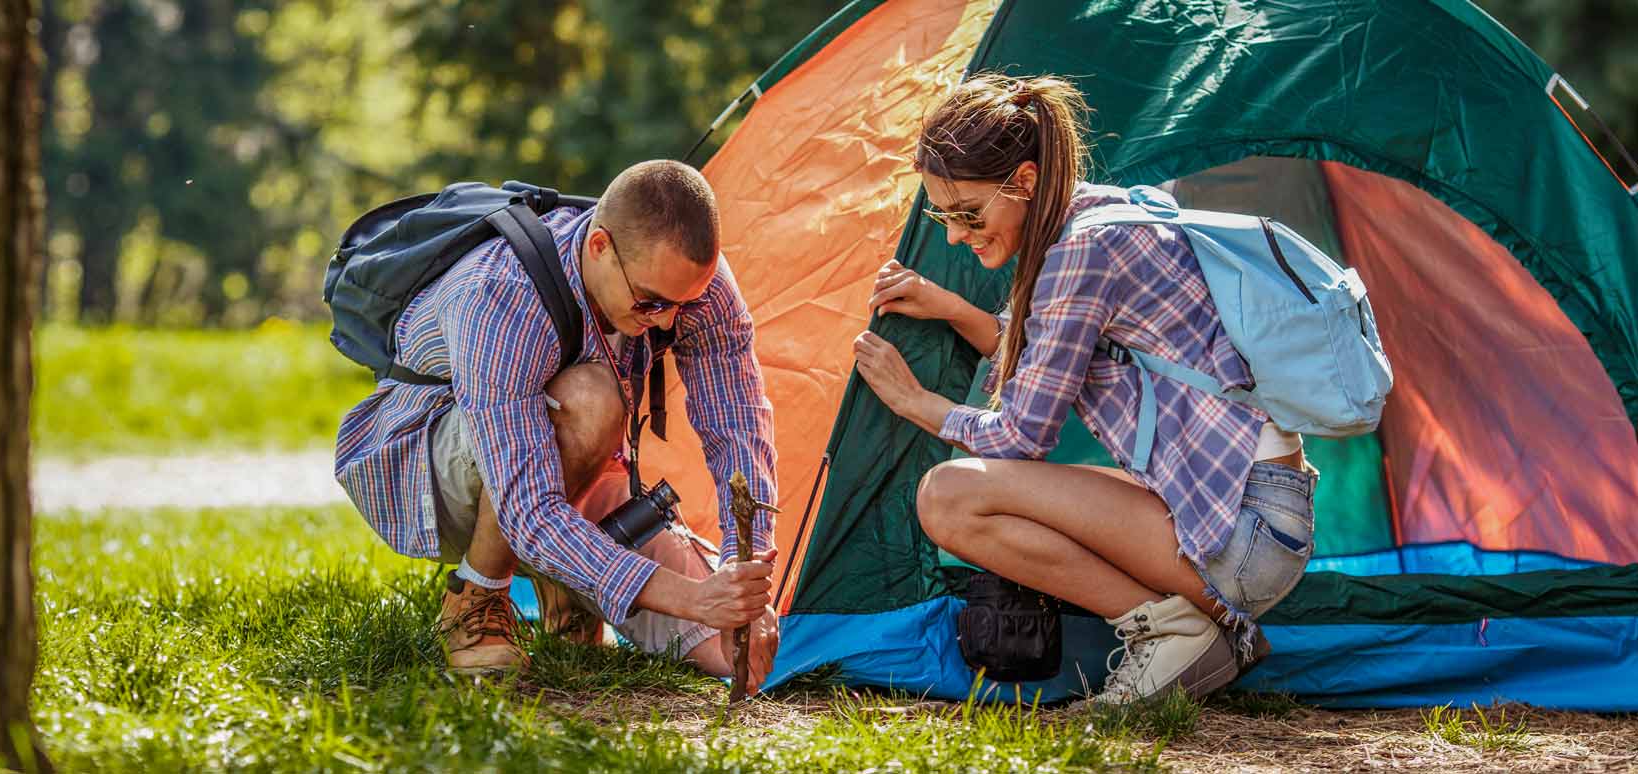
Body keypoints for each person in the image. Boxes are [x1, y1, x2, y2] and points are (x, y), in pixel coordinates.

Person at [851, 74, 1317, 704]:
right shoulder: (1101, 214)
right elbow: (1050, 351)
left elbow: (1023, 434)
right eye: (943, 214)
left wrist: (916, 402)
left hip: (1246, 536)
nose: (956, 234)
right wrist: (953, 310)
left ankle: (1172, 633)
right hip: (1259, 513)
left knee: (949, 498)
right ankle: (1213, 629)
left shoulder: (1081, 252)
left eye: (967, 213)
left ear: (1022, 182)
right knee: (1027, 491)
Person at [334, 160, 780, 693]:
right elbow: (527, 510)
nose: (666, 321)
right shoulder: (499, 293)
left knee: (730, 656)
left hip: (567, 474)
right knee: (591, 401)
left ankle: (566, 587)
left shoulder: (690, 286)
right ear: (599, 247)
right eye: (651, 303)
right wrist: (692, 597)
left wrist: (742, 573)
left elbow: (738, 428)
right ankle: (475, 598)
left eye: (681, 306)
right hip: (430, 470)